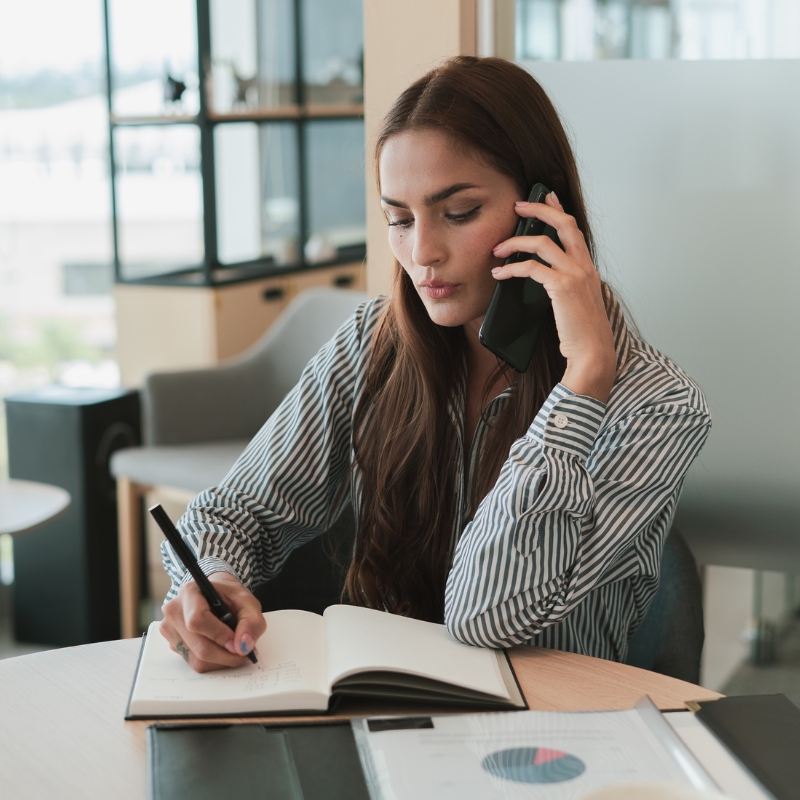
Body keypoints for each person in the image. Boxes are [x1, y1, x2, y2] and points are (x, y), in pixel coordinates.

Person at [160, 56, 711, 673]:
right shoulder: (371, 345)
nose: (421, 253)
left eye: (459, 213)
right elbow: (231, 515)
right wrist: (209, 580)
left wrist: (582, 384)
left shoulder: (659, 406)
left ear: (545, 211)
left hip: (556, 741)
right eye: (399, 218)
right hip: (394, 718)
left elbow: (487, 614)